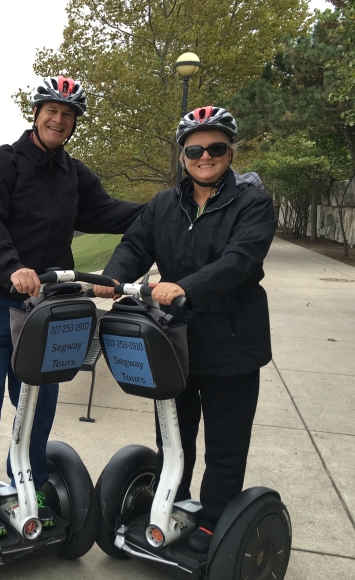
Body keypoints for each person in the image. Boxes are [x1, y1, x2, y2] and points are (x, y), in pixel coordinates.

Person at [0, 76, 145, 538]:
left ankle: (29, 483)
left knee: (37, 401)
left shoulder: (73, 175)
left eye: (68, 114)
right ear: (36, 113)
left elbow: (108, 212)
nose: (58, 119)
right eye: (51, 110)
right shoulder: (2, 164)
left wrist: (161, 206)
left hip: (47, 304)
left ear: (74, 123)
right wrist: (11, 267)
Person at [93, 106, 277, 552]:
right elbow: (135, 245)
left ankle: (214, 522)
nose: (205, 156)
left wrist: (183, 287)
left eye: (215, 148)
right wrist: (110, 280)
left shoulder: (253, 202)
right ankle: (170, 503)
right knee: (174, 436)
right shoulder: (163, 204)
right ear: (183, 157)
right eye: (196, 149)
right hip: (174, 340)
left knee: (226, 443)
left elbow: (239, 261)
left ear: (230, 153)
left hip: (233, 343)